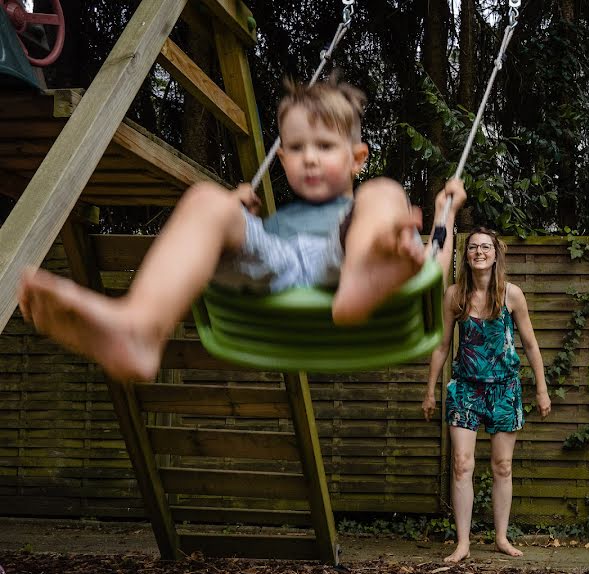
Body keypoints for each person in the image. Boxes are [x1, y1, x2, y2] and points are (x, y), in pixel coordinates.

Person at [17, 78, 465, 382]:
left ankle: (368, 271)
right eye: (296, 148)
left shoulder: (363, 213)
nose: (309, 157)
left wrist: (446, 215)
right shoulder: (275, 220)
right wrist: (232, 217)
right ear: (282, 159)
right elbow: (240, 241)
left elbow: (432, 267)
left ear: (356, 158)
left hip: (344, 255)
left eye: (325, 147)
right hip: (273, 261)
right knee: (205, 198)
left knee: (384, 194)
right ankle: (138, 328)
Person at [422, 227, 551, 563]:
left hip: (505, 390)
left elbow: (531, 345)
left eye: (486, 247)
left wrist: (541, 388)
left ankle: (501, 537)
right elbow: (442, 345)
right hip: (465, 388)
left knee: (502, 466)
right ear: (466, 255)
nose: (479, 252)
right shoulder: (455, 295)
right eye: (473, 247)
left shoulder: (512, 295)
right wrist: (430, 391)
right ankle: (463, 543)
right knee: (462, 465)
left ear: (496, 254)